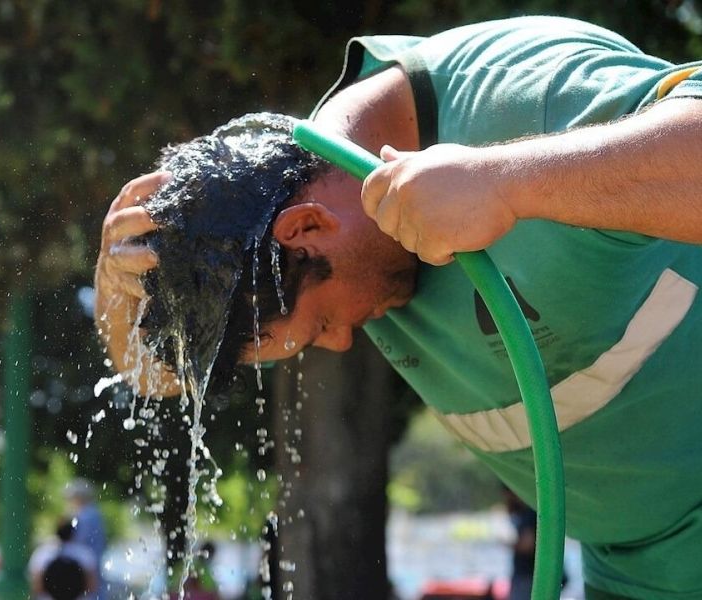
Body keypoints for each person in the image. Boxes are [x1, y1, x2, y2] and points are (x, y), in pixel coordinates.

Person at [94, 16, 702, 600]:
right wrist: (115, 281)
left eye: (324, 324)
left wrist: (507, 182)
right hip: (640, 569)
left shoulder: (514, 91)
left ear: (307, 227)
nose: (339, 343)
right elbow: (155, 375)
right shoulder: (288, 262)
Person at [28, 518, 99, 600]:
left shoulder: (42, 554)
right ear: (73, 533)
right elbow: (92, 586)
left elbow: (37, 586)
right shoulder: (84, 554)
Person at [66, 479, 108, 600]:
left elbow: (79, 540)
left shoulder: (84, 515)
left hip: (86, 562)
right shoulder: (95, 513)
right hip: (94, 559)